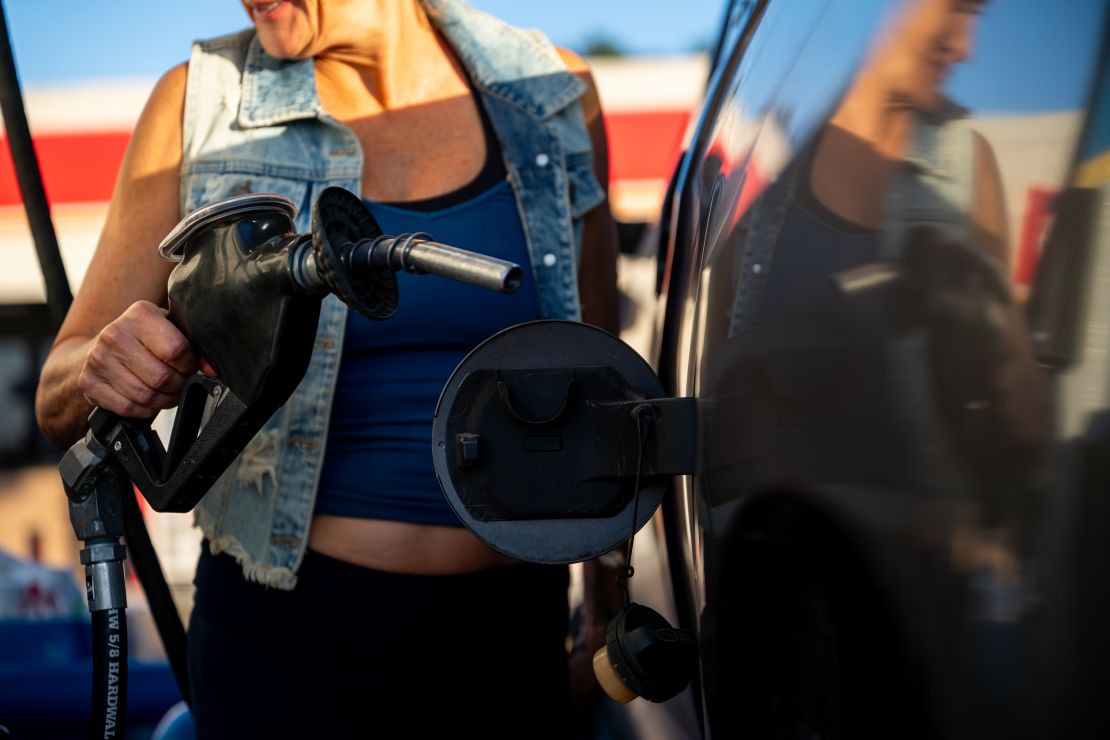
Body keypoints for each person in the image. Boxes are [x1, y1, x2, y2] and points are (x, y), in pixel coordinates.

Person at [35, 1, 621, 737]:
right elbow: (59, 395)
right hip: (281, 645)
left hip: (511, 638)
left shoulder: (551, 94)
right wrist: (106, 362)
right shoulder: (200, 101)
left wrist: (604, 622)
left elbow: (607, 398)